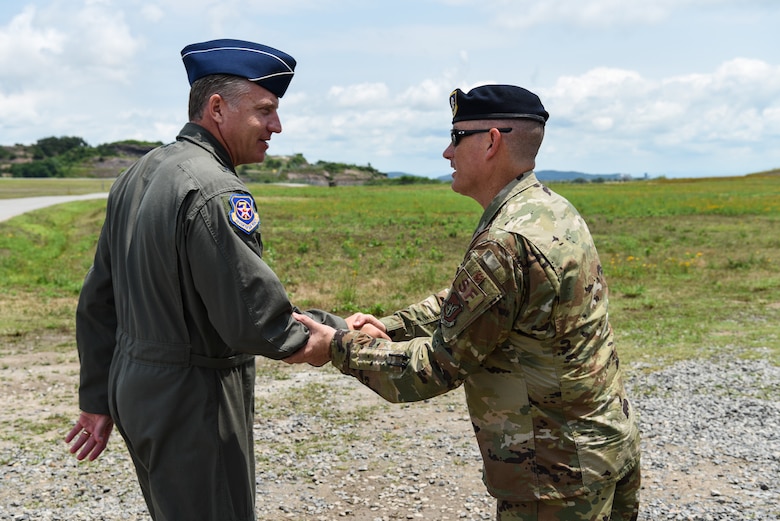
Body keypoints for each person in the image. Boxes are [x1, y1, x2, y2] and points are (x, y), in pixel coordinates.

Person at [288, 84, 642, 520]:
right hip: (603, 448)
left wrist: (338, 346)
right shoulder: (549, 210)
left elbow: (435, 368)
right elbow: (466, 302)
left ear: (491, 142)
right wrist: (391, 327)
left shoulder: (505, 242)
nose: (446, 153)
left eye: (456, 138)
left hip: (556, 479)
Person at [65, 39, 347, 521]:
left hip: (138, 390)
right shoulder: (215, 188)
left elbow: (97, 300)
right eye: (265, 110)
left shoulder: (138, 173)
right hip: (192, 398)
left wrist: (97, 397)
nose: (276, 126)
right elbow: (253, 321)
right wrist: (337, 331)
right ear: (217, 108)